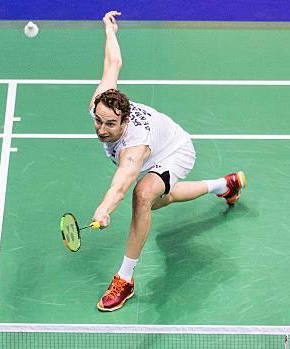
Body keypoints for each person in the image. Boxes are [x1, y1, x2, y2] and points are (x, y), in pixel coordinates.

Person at [90, 11, 246, 312]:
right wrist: (110, 31)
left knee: (142, 195)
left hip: (175, 150)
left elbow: (120, 186)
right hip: (159, 148)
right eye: (98, 121)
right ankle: (225, 185)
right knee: (161, 198)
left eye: (110, 125)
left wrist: (104, 209)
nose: (101, 129)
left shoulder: (133, 147)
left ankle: (125, 280)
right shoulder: (102, 102)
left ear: (124, 121)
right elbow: (113, 64)